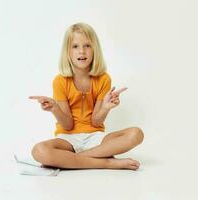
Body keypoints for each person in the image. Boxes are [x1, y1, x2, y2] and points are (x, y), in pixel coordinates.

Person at [29, 22, 144, 170]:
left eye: (87, 46)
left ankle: (71, 161)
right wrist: (55, 108)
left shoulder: (103, 79)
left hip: (96, 138)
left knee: (136, 134)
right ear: (67, 51)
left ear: (95, 49)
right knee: (38, 150)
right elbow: (67, 125)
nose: (82, 51)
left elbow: (96, 122)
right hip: (68, 140)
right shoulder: (60, 81)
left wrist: (106, 107)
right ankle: (107, 162)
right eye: (75, 46)